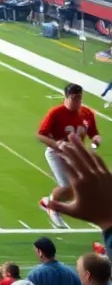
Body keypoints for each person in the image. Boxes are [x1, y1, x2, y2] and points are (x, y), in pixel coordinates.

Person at [37, 83, 100, 227]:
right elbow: (41, 134)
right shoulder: (56, 113)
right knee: (65, 185)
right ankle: (52, 207)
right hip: (57, 152)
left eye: (79, 98)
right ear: (65, 97)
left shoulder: (87, 113)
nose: (77, 101)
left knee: (76, 189)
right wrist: (56, 145)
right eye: (74, 98)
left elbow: (94, 133)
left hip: (75, 154)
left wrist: (96, 140)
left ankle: (47, 202)